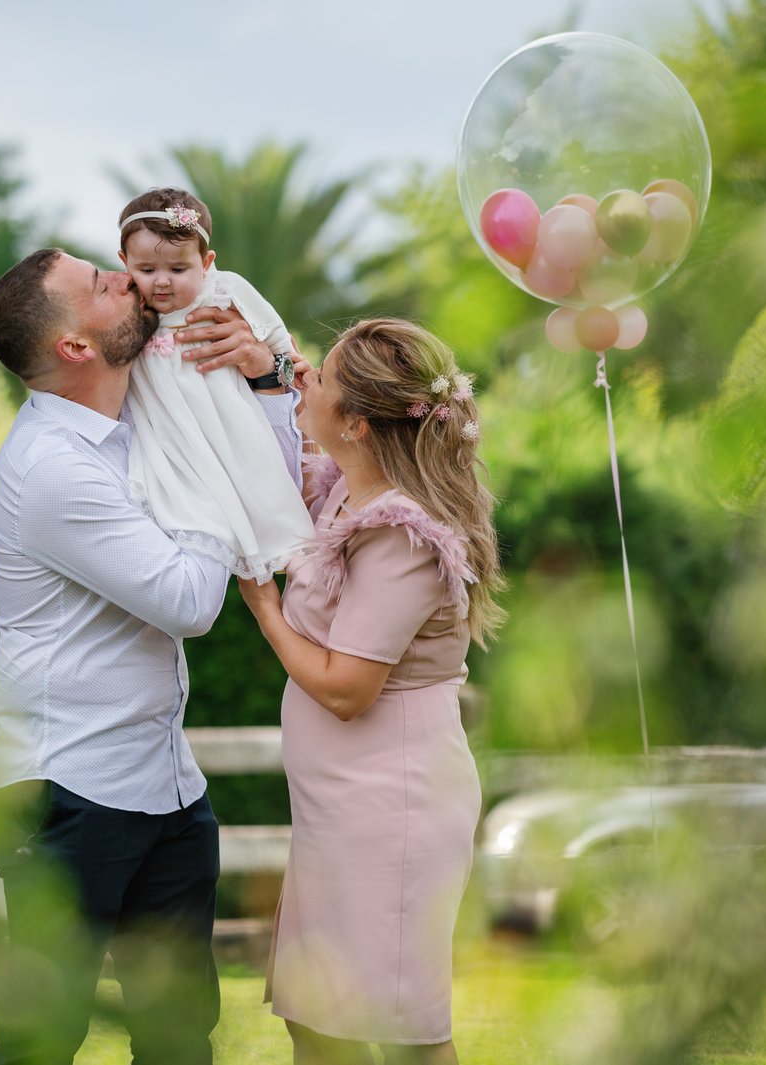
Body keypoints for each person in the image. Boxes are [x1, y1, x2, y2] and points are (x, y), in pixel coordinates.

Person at [0, 247, 304, 1065]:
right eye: (102, 283)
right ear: (75, 346)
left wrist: (265, 378)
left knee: (179, 1036)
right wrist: (212, 476)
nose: (128, 278)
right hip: (66, 786)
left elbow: (272, 481)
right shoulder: (52, 467)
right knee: (43, 1039)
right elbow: (191, 600)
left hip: (165, 780)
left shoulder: (145, 420)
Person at [235, 319, 507, 1065]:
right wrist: (266, 370)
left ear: (356, 422)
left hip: (392, 806)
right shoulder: (345, 494)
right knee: (316, 1019)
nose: (306, 379)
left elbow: (347, 689)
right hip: (337, 804)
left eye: (320, 377)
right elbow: (272, 459)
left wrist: (264, 607)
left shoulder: (403, 533)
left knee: (400, 1029)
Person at [117, 188, 314, 583]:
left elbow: (273, 332)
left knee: (256, 483)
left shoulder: (224, 291)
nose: (161, 282)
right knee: (178, 495)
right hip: (168, 424)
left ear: (206, 263)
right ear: (124, 262)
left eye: (178, 269)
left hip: (227, 415)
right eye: (146, 269)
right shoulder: (126, 308)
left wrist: (286, 363)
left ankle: (298, 574)